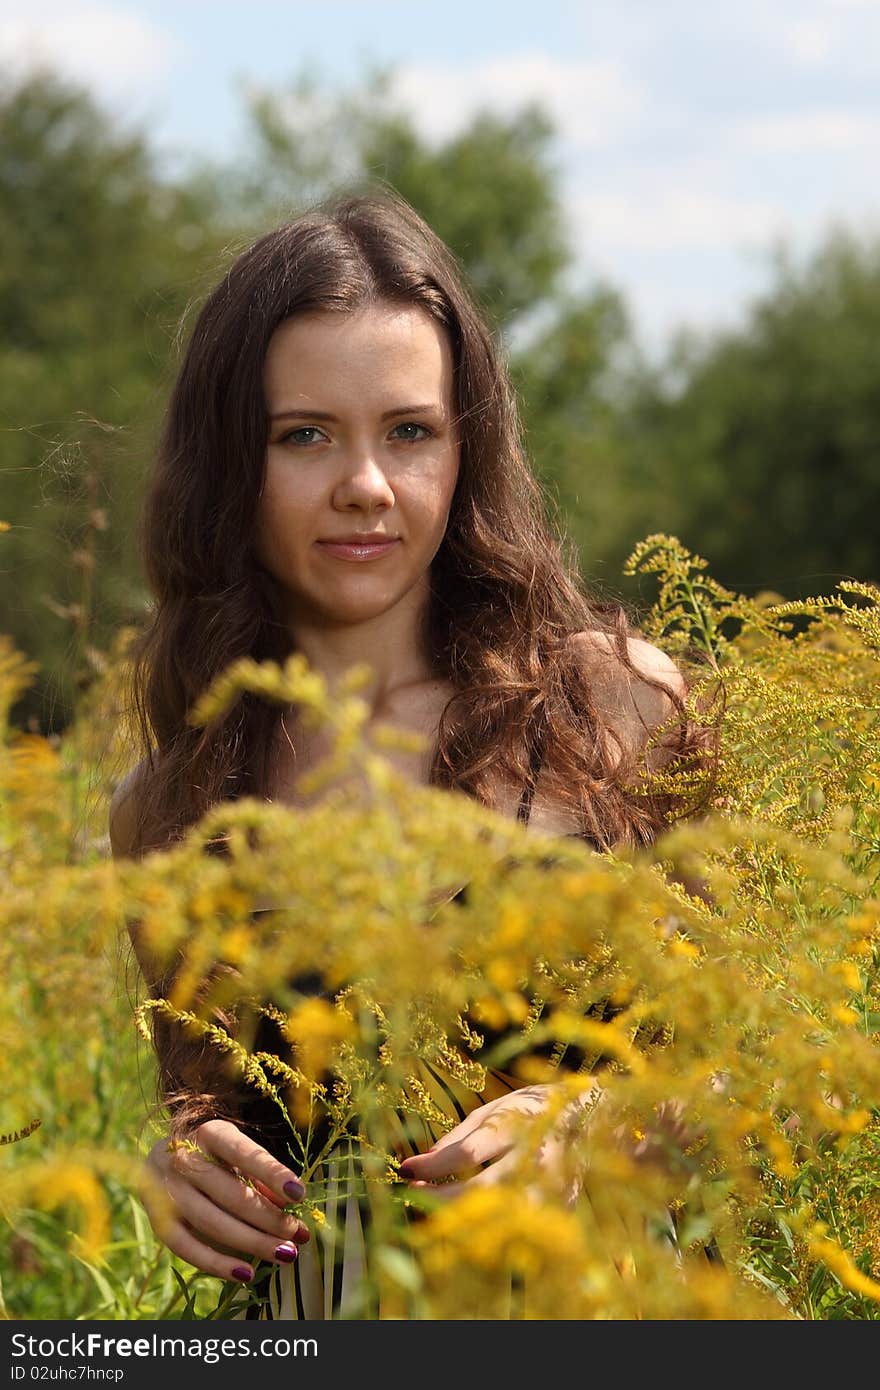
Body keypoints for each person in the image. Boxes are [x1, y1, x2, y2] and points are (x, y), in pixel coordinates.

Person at [109, 187, 716, 1319]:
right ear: (230, 463)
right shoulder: (170, 804)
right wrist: (176, 1171)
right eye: (303, 436)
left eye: (409, 431)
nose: (365, 485)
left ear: (465, 445)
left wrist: (589, 1120)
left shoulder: (614, 709)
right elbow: (207, 1110)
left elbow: (751, 1071)